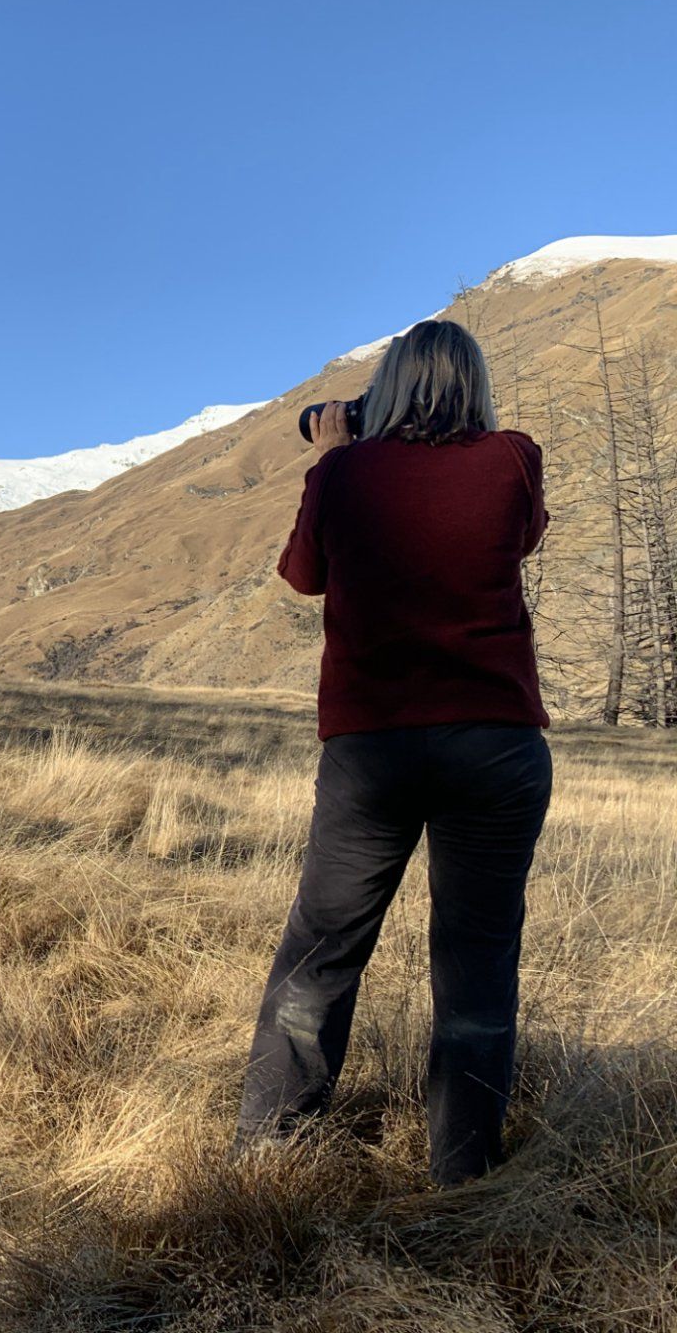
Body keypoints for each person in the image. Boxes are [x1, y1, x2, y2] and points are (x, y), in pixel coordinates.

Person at [235, 318, 553, 1186]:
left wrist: (336, 453)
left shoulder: (347, 472)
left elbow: (303, 575)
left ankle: (271, 1152)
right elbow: (519, 538)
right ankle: (464, 1171)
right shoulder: (514, 457)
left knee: (324, 948)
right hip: (495, 742)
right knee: (478, 957)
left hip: (372, 747)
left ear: (390, 389)